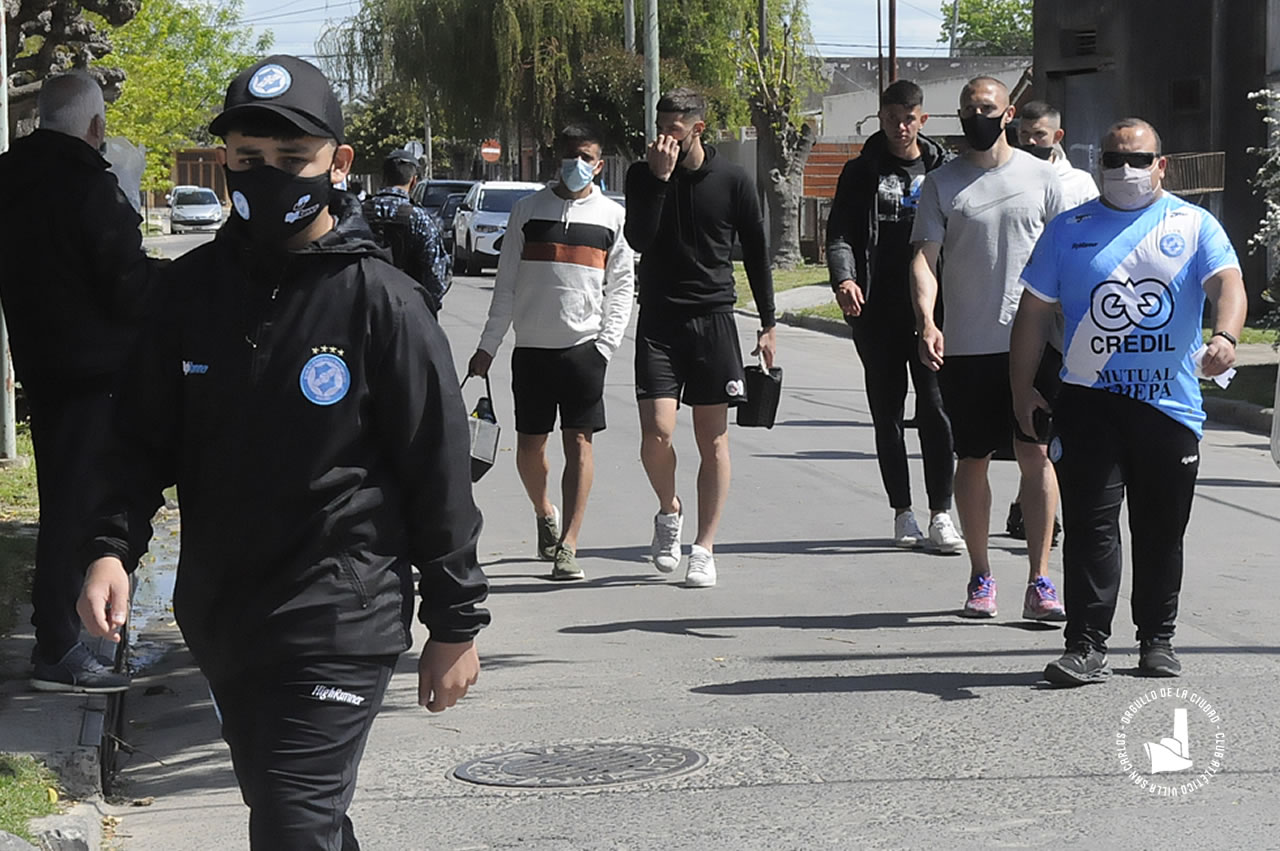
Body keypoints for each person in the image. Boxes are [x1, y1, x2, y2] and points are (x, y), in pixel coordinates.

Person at [75, 55, 489, 848]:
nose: (267, 175)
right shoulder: (186, 295)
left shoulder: (383, 304)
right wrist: (108, 549)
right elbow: (136, 443)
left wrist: (455, 621)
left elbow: (437, 471)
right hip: (225, 618)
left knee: (291, 824)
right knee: (301, 815)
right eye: (248, 158)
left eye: (292, 158)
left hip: (341, 614)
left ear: (339, 162)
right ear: (224, 161)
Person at [1012, 118, 1246, 685]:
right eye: (1114, 159)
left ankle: (1156, 640)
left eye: (1138, 160)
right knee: (1091, 528)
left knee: (1161, 529)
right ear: (1098, 164)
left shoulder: (1193, 224)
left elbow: (1228, 284)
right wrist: (1021, 389)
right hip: (1088, 403)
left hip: (1168, 407)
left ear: (1161, 165)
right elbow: (1033, 313)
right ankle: (1085, 644)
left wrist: (1226, 336)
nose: (1125, 170)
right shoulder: (1068, 230)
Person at [0, 70, 164, 693]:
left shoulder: (9, 176)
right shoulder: (90, 185)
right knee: (83, 510)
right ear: (96, 125)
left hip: (41, 366)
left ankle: (69, 634)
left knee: (62, 501)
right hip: (97, 370)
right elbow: (128, 285)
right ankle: (61, 648)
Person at [909, 76, 1067, 620]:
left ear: (1009, 113)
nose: (977, 116)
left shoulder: (1043, 178)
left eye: (986, 107)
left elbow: (1066, 255)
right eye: (968, 108)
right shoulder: (941, 184)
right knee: (972, 456)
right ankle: (980, 575)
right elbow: (924, 258)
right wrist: (927, 321)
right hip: (968, 346)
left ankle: (1040, 580)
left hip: (1035, 343)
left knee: (1036, 454)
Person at [467, 124, 635, 581]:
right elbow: (505, 286)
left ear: (599, 164)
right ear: (557, 159)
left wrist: (606, 345)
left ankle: (569, 544)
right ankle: (545, 513)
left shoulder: (611, 217)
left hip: (584, 351)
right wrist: (487, 347)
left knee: (579, 443)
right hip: (531, 352)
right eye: (570, 155)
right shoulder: (527, 211)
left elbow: (622, 287)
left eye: (586, 157)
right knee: (529, 448)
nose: (577, 164)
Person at [624, 87, 777, 588]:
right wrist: (659, 181)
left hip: (713, 318)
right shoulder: (642, 174)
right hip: (660, 319)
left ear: (698, 128)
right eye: (659, 128)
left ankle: (704, 548)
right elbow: (638, 239)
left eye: (674, 128)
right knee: (657, 433)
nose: (664, 138)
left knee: (713, 438)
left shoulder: (732, 179)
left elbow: (756, 250)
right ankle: (669, 511)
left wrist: (768, 322)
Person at [825, 79, 963, 554]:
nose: (901, 128)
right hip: (877, 310)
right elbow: (840, 234)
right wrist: (844, 279)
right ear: (880, 118)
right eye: (891, 119)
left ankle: (941, 513)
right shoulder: (861, 171)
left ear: (922, 119)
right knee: (887, 412)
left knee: (936, 410)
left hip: (932, 312)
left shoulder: (943, 169)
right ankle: (903, 512)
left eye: (908, 119)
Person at [1004, 99, 1101, 543]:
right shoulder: (1007, 176)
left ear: (1057, 137)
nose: (1030, 142)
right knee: (1031, 423)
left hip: (1064, 317)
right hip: (1020, 311)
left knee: (1058, 421)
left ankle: (1037, 506)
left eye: (1038, 135)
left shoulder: (1078, 185)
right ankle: (1033, 504)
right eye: (1023, 135)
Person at [363, 149, 450, 315]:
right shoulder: (419, 218)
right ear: (414, 181)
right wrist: (427, 308)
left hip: (365, 310)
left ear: (383, 178)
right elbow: (436, 273)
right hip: (408, 310)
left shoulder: (359, 213)